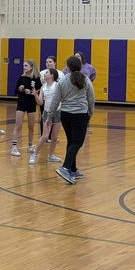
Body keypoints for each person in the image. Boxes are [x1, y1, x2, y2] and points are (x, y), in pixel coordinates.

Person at [48, 55, 96, 184]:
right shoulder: (85, 80)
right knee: (77, 142)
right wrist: (90, 114)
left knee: (71, 141)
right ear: (80, 67)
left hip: (66, 115)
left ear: (68, 67)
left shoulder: (62, 81)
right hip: (80, 115)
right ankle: (65, 167)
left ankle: (73, 170)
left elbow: (55, 100)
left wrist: (49, 115)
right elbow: (91, 99)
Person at [30, 68, 64, 165]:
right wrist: (36, 95)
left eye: (46, 73)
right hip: (47, 113)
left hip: (57, 113)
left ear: (52, 75)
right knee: (45, 136)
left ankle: (51, 155)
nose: (44, 75)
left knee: (54, 137)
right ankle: (34, 154)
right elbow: (40, 102)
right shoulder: (43, 87)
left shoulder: (57, 85)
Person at [10, 59, 41, 157]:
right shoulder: (21, 78)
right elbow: (15, 91)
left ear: (31, 67)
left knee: (31, 126)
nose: (24, 67)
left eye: (26, 66)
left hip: (31, 104)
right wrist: (20, 89)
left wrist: (31, 93)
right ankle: (14, 148)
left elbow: (39, 92)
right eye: (24, 66)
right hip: (21, 103)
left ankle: (30, 146)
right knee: (18, 125)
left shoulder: (36, 79)